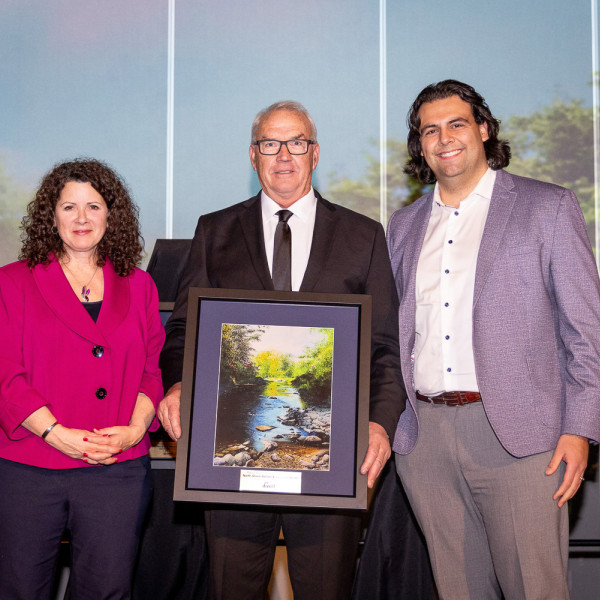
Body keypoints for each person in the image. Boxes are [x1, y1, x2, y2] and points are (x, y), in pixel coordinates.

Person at [158, 100, 406, 600]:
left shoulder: (363, 235)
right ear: (254, 156)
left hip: (336, 459)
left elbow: (384, 345)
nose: (284, 155)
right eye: (271, 144)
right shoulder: (214, 231)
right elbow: (184, 328)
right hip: (226, 459)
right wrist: (178, 383)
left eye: (297, 143)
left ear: (315, 154)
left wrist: (379, 423)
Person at [387, 79, 600, 599]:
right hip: (425, 442)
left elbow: (586, 332)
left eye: (457, 124)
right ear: (421, 146)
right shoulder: (402, 226)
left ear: (483, 129)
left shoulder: (547, 207)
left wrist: (580, 428)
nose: (444, 138)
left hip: (524, 442)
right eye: (430, 130)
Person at [0, 159, 165, 599]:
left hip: (117, 469)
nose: (81, 218)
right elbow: (6, 377)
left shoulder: (141, 285)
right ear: (50, 215)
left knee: (108, 591)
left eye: (93, 206)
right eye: (69, 206)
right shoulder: (12, 283)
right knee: (19, 589)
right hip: (31, 466)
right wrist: (56, 434)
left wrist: (133, 431)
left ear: (112, 215)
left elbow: (151, 371)